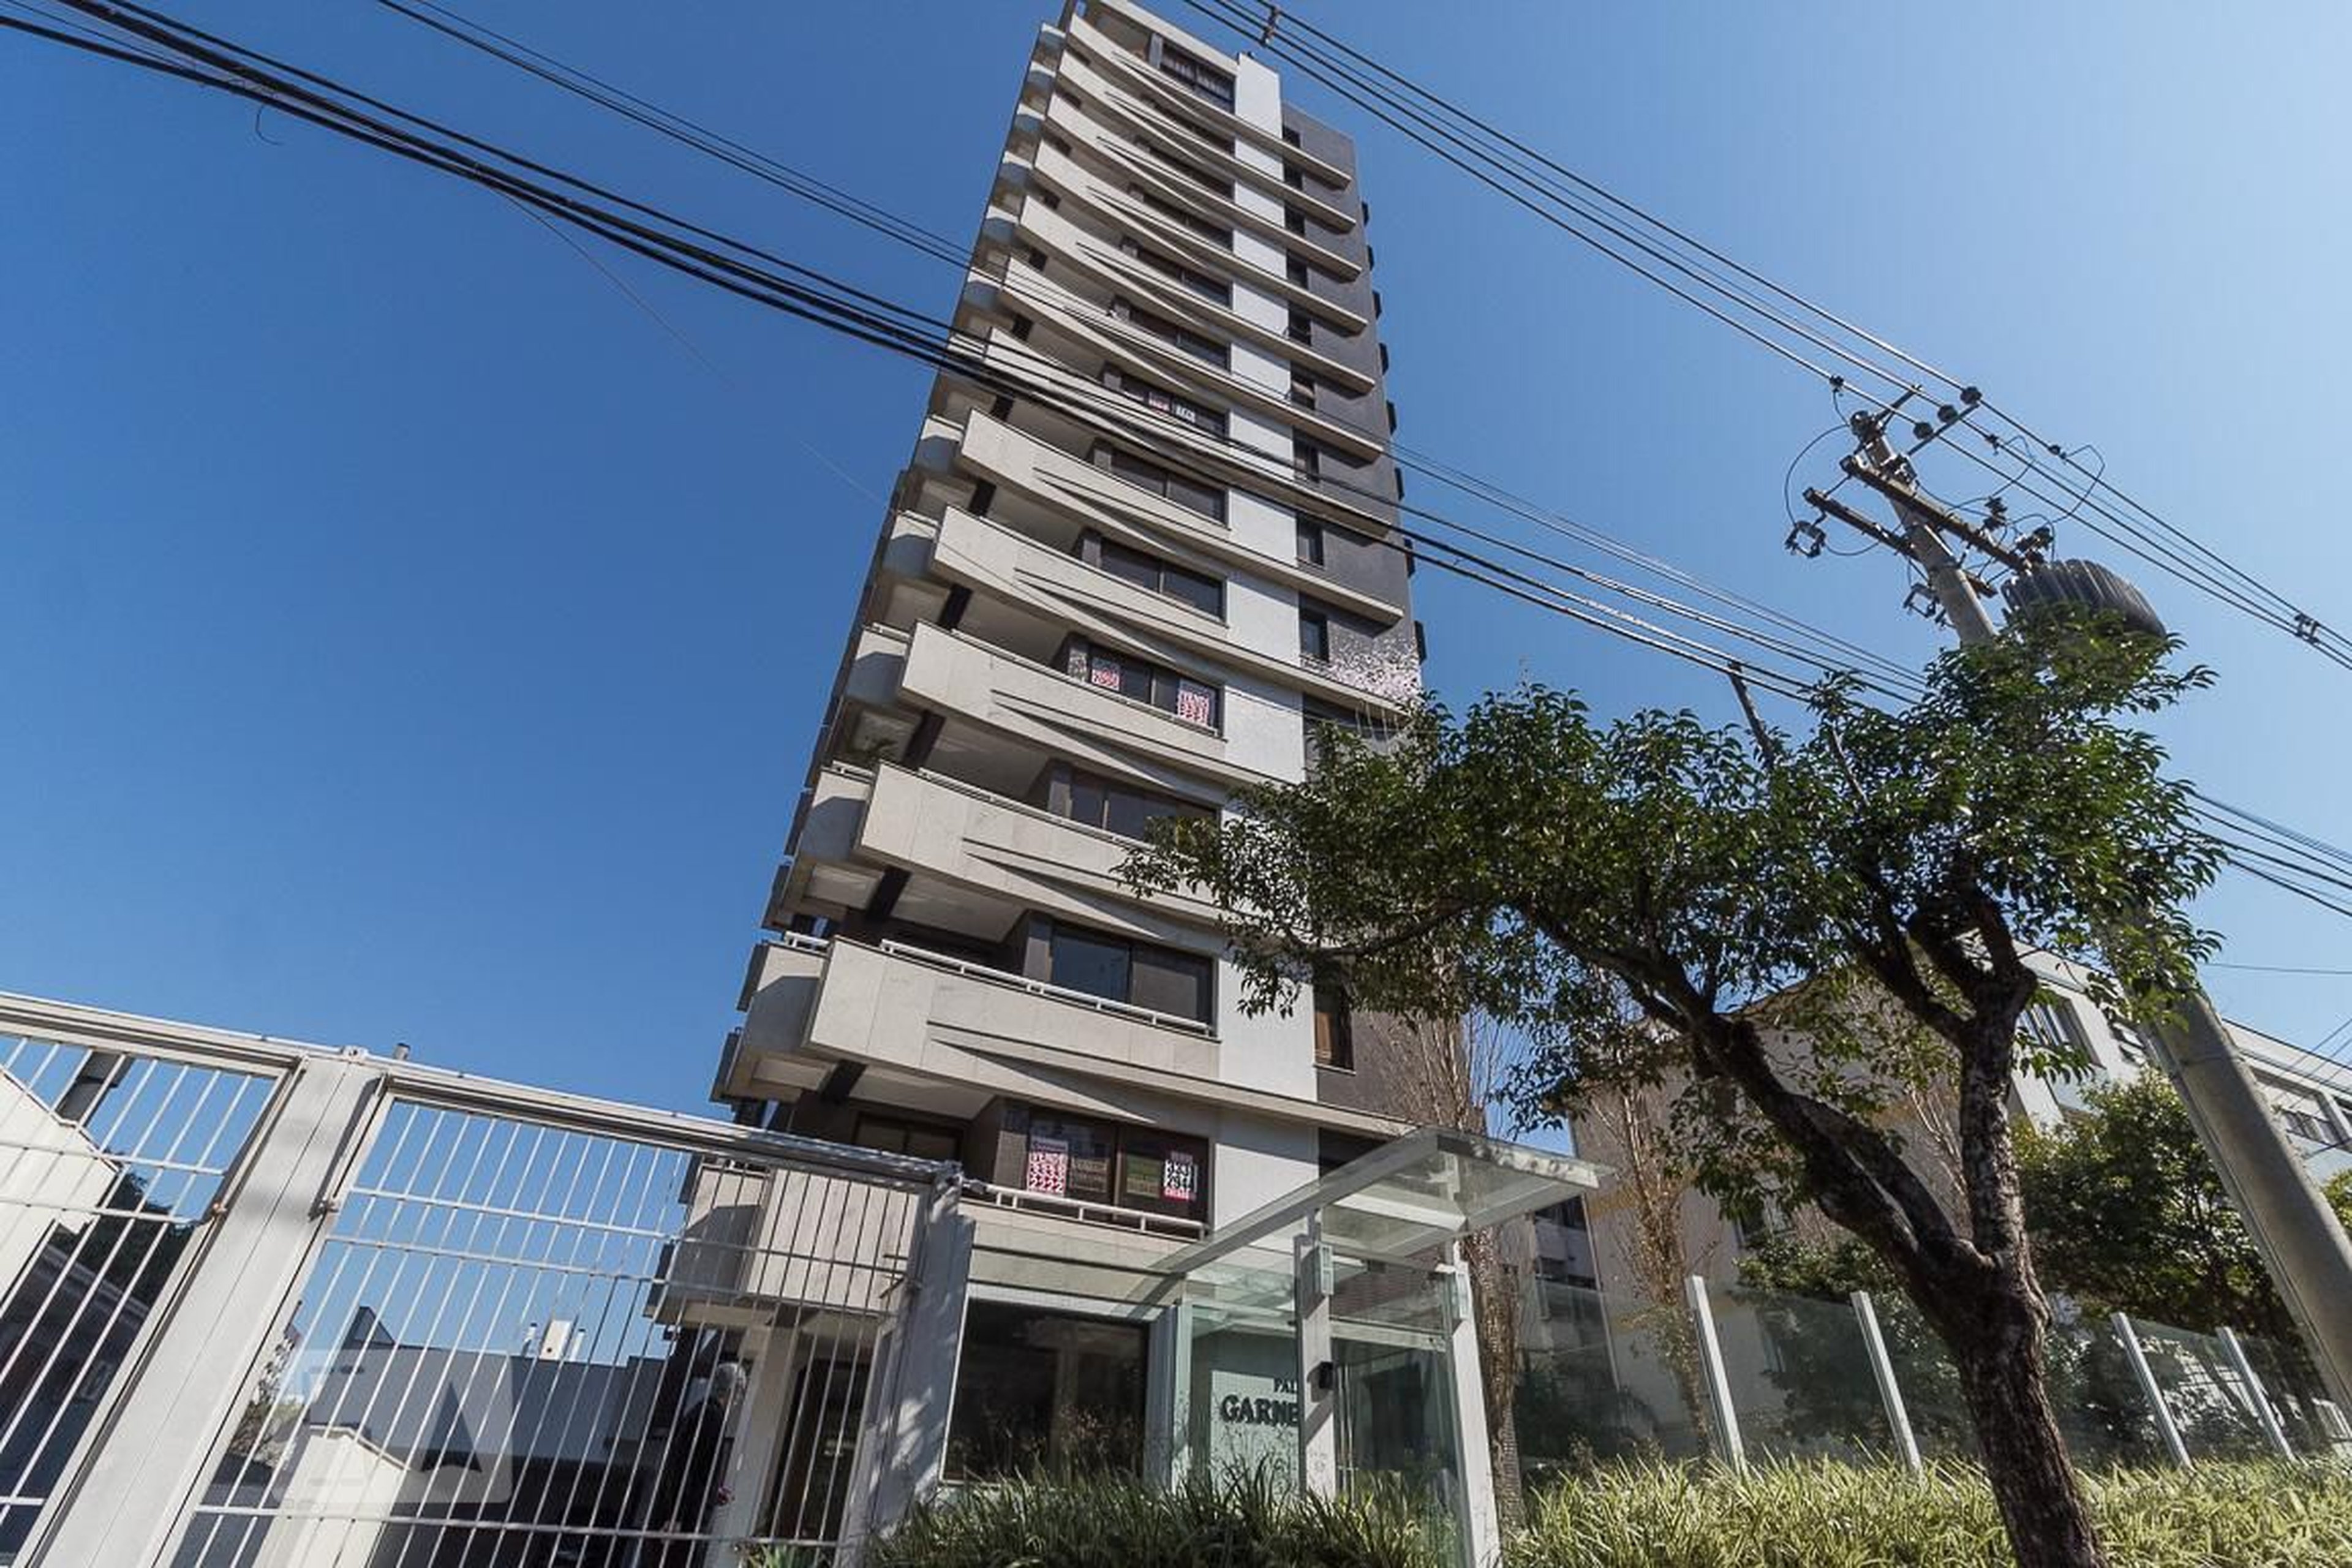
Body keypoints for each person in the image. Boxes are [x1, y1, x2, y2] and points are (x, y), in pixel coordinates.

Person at [642, 1360, 745, 1567]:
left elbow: (692, 1467)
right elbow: (684, 1467)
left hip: (684, 1513)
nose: (739, 1399)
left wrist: (713, 1490)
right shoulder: (711, 1417)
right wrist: (675, 1516)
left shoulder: (701, 1413)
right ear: (733, 1391)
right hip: (684, 1519)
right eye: (740, 1391)